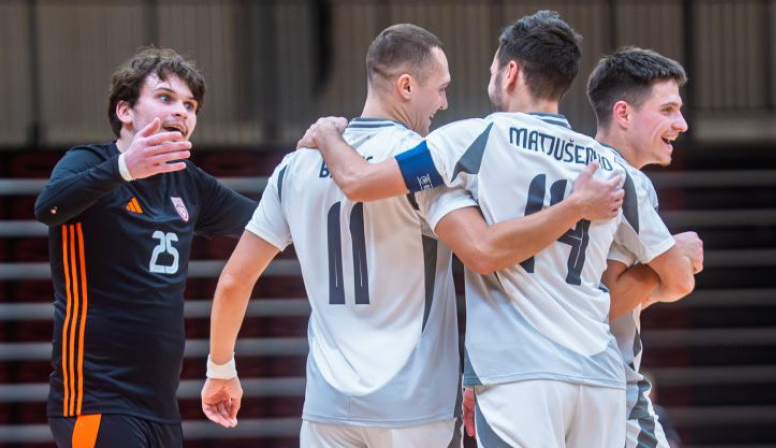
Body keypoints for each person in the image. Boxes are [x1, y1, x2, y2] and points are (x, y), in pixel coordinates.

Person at [200, 23, 621, 448]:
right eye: (441, 89)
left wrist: (220, 369)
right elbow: (482, 250)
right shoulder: (427, 167)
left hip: (327, 407)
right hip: (416, 406)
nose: (444, 102)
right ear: (406, 86)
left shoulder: (295, 166)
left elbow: (234, 280)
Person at [299, 10, 697, 447]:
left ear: (510, 73)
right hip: (598, 375)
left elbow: (359, 182)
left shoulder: (474, 138)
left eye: (492, 70)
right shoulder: (609, 165)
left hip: (519, 374)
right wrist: (652, 274)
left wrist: (328, 135)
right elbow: (679, 278)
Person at [35, 47, 257, 447]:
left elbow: (266, 222)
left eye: (189, 105)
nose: (181, 112)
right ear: (125, 111)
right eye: (165, 98)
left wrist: (307, 168)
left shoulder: (189, 181)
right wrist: (123, 169)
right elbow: (48, 208)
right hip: (95, 400)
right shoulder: (87, 161)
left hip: (160, 407)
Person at [588, 46, 703, 448]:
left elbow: (592, 297)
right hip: (609, 384)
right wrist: (673, 253)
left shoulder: (570, 167)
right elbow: (679, 281)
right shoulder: (625, 178)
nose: (682, 124)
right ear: (623, 113)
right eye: (668, 110)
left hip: (546, 378)